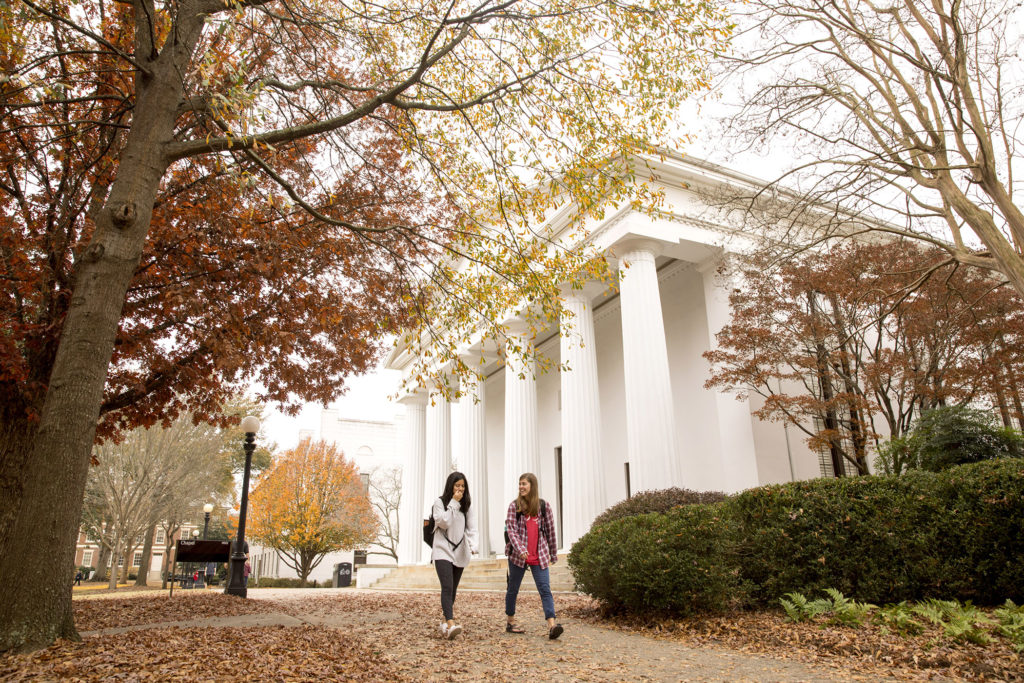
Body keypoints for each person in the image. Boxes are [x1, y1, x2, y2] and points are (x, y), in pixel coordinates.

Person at [504, 472, 563, 639]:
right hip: (518, 556)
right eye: (520, 484)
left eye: (524, 484)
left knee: (545, 589)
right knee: (513, 589)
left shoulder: (544, 506)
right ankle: (510, 621)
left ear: (532, 486)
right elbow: (512, 532)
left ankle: (552, 625)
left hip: (539, 555)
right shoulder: (514, 506)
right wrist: (521, 549)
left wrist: (553, 553)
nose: (521, 487)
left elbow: (550, 531)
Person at [431, 471, 478, 640]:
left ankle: (444, 620)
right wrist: (453, 503)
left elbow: (471, 528)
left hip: (459, 551)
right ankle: (451, 623)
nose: (460, 489)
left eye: (463, 486)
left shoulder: (467, 506)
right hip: (441, 550)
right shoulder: (440, 503)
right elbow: (443, 522)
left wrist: (474, 545)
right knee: (447, 586)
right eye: (457, 485)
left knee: (453, 590)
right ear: (450, 486)